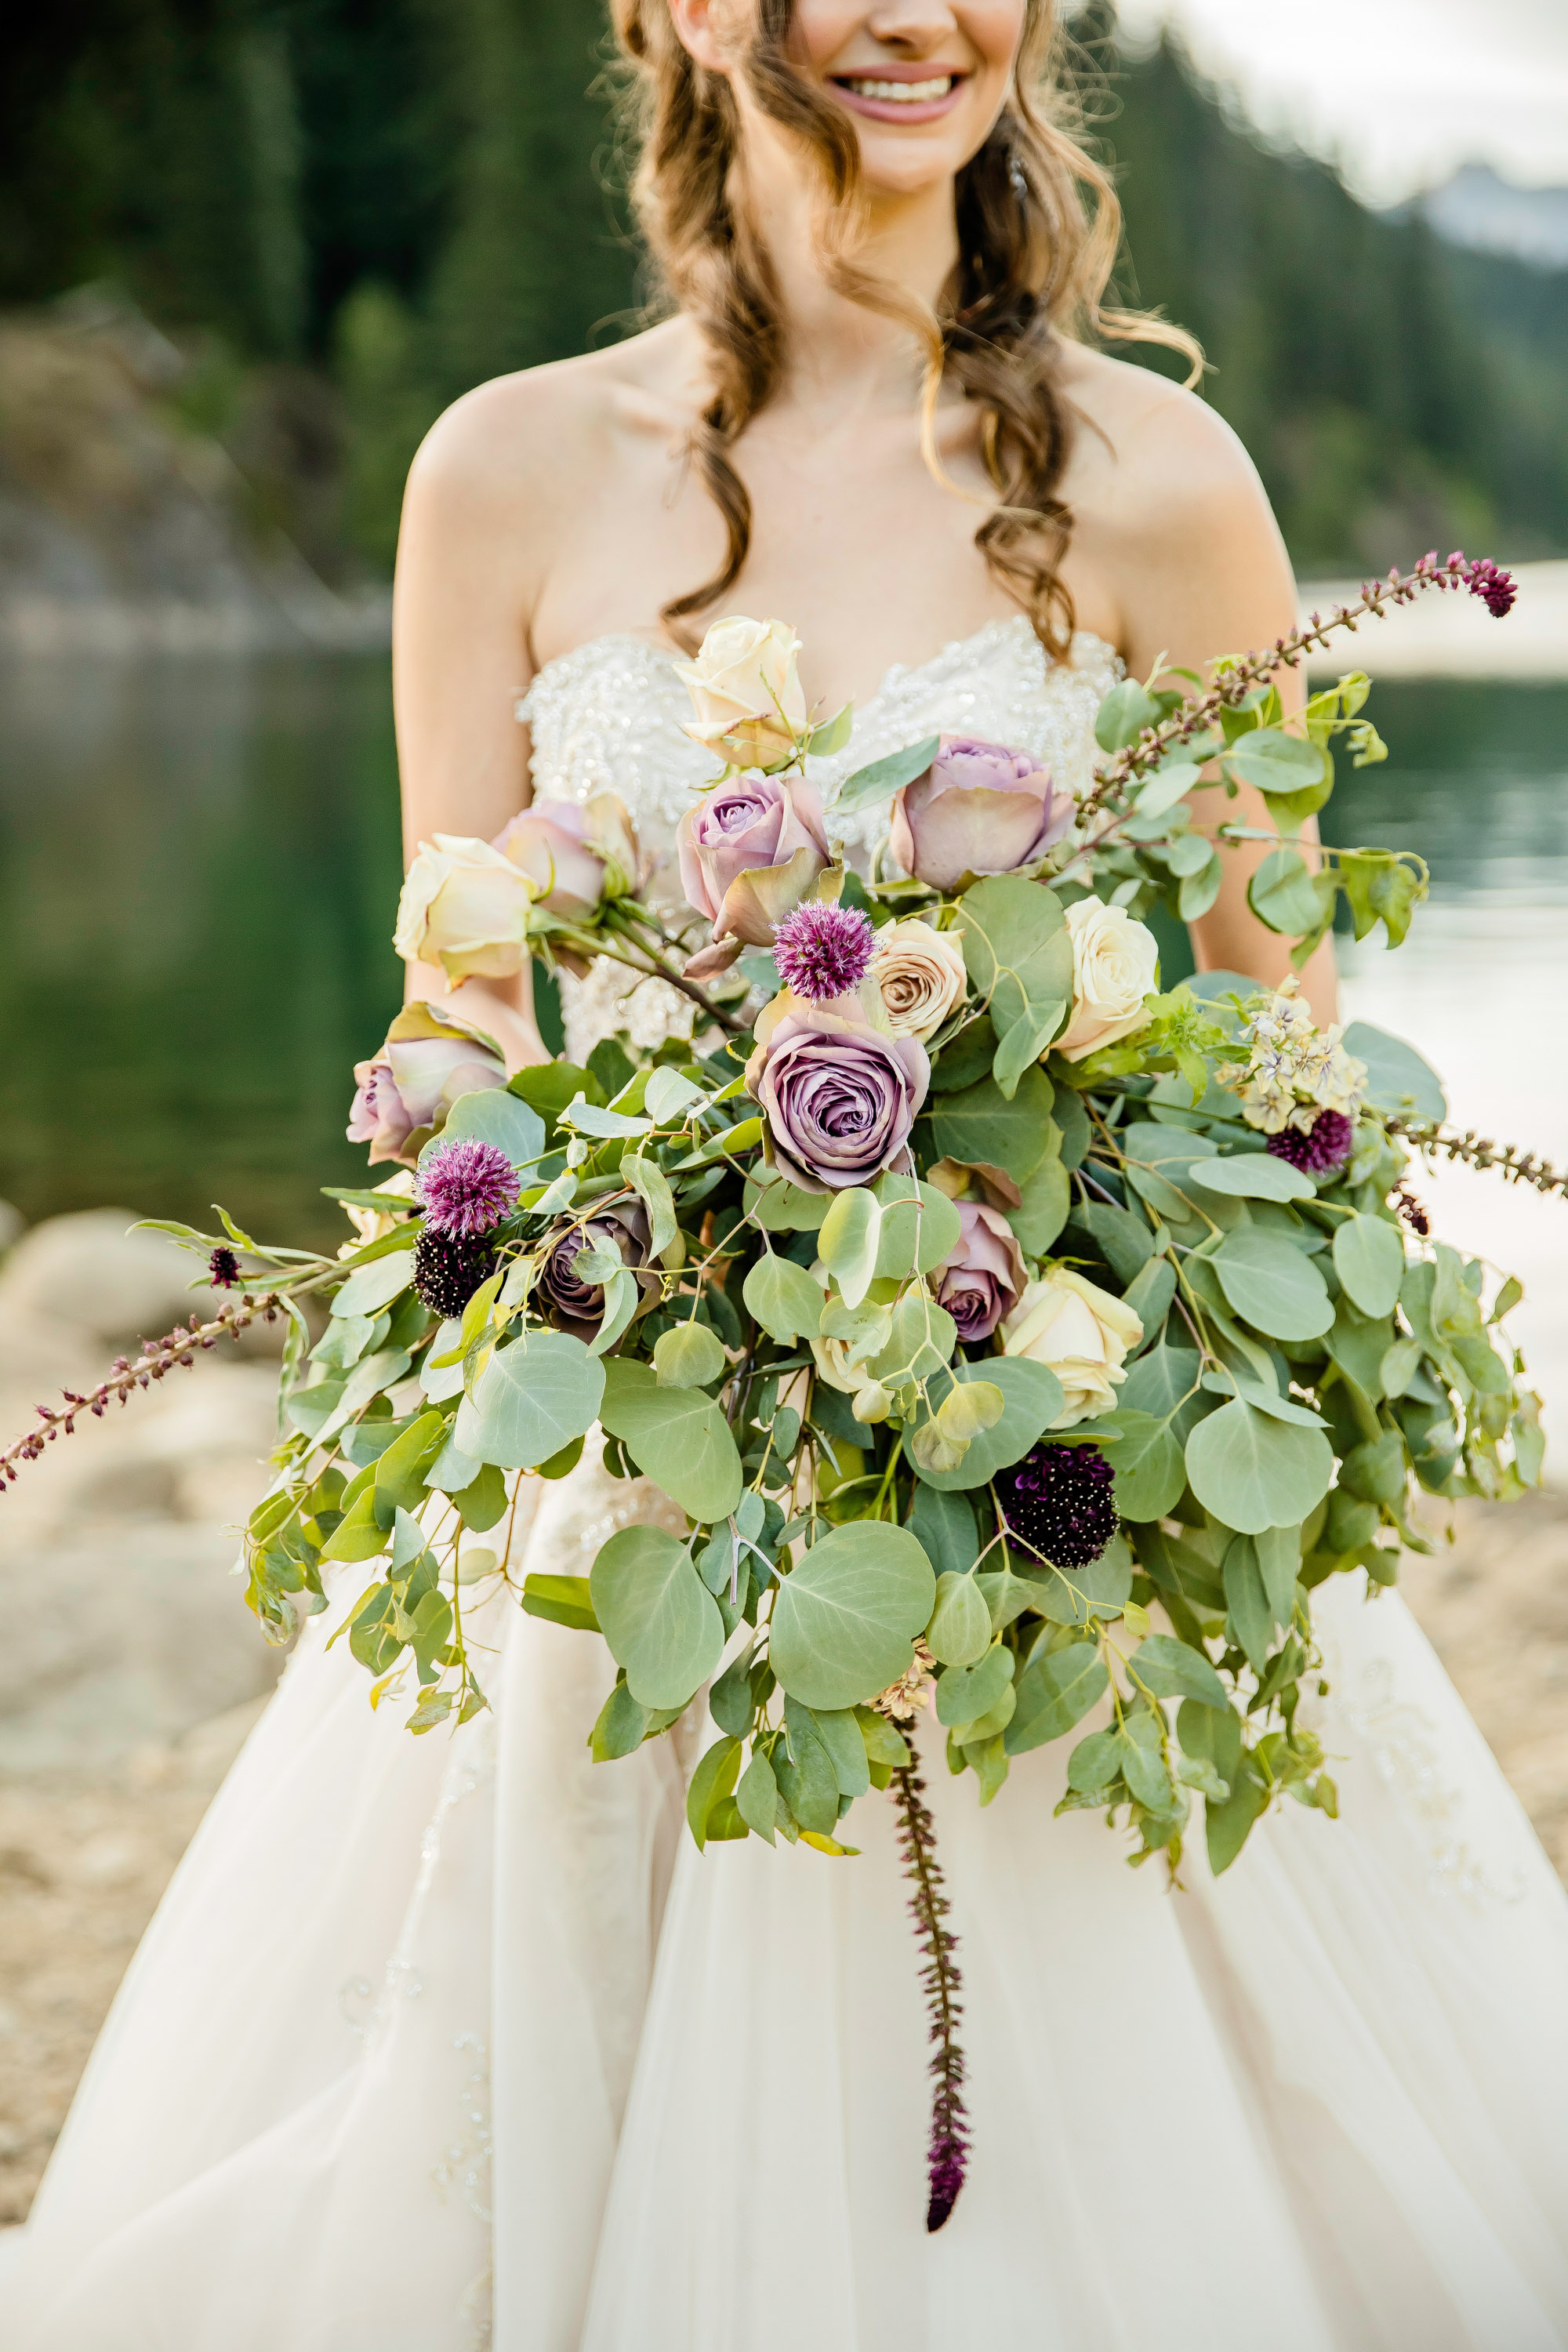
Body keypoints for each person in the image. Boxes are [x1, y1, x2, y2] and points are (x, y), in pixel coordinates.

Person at [7, 4, 1568, 2347]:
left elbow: (1275, 1024)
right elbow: (464, 1010)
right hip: (629, 1479)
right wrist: (551, 1230)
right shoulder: (502, 473)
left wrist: (1087, 1291)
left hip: (1043, 1449)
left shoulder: (1165, 483)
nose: (904, 13)